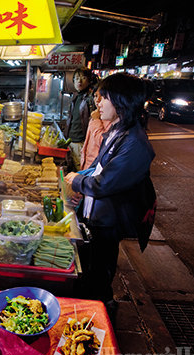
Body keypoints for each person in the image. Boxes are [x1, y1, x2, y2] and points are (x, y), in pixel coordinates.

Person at [64, 73, 156, 312]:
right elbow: (99, 167)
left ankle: (101, 316)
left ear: (121, 101)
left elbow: (105, 182)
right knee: (90, 269)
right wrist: (82, 186)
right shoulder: (116, 131)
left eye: (104, 98)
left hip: (109, 221)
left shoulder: (135, 143)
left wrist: (77, 181)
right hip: (96, 215)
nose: (99, 103)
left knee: (100, 275)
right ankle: (88, 307)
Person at [65, 67, 96, 171]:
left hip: (81, 143)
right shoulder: (76, 97)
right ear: (73, 80)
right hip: (71, 141)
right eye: (77, 78)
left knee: (80, 172)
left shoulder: (91, 98)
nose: (80, 81)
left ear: (89, 80)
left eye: (83, 78)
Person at [79, 88, 111, 171]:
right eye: (95, 96)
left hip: (96, 168)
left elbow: (103, 142)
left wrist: (96, 120)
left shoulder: (109, 118)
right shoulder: (96, 113)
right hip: (87, 164)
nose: (98, 100)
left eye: (103, 97)